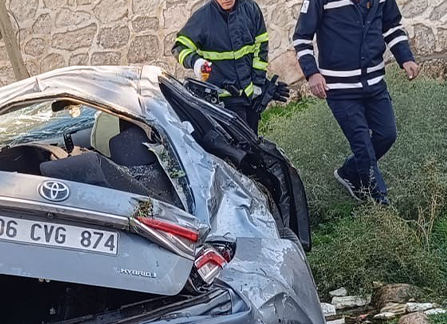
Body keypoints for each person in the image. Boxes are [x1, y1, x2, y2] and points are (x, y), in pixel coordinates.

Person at [293, 0, 420, 204]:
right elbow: (301, 38)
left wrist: (405, 58)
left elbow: (392, 27)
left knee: (387, 134)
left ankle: (348, 172)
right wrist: (312, 73)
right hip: (339, 89)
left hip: (374, 84)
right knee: (363, 145)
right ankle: (380, 203)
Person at [172, 0, 271, 130]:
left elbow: (261, 46)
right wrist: (196, 62)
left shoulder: (251, 9)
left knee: (253, 143)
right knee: (237, 148)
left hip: (249, 96)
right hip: (223, 101)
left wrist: (258, 83)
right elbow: (179, 48)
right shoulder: (203, 18)